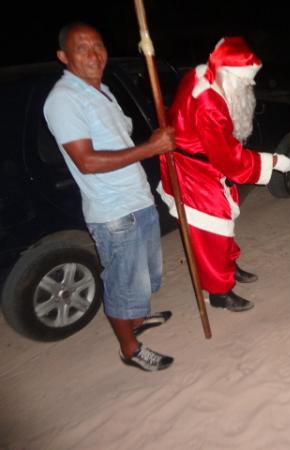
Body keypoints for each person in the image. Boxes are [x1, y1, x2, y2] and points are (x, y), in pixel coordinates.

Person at [43, 22, 176, 372]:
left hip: (137, 200)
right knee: (122, 284)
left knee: (143, 278)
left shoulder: (101, 90)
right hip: (115, 212)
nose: (94, 54)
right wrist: (151, 148)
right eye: (82, 48)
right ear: (64, 57)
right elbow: (86, 161)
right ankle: (130, 349)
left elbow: (121, 139)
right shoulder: (64, 99)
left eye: (98, 45)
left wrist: (153, 142)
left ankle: (136, 319)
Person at [158, 36, 290, 312]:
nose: (250, 84)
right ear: (229, 75)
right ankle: (220, 293)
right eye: (246, 79)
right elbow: (231, 160)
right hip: (193, 171)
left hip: (203, 162)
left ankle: (228, 268)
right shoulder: (210, 104)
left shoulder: (203, 75)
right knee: (212, 231)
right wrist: (273, 162)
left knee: (224, 220)